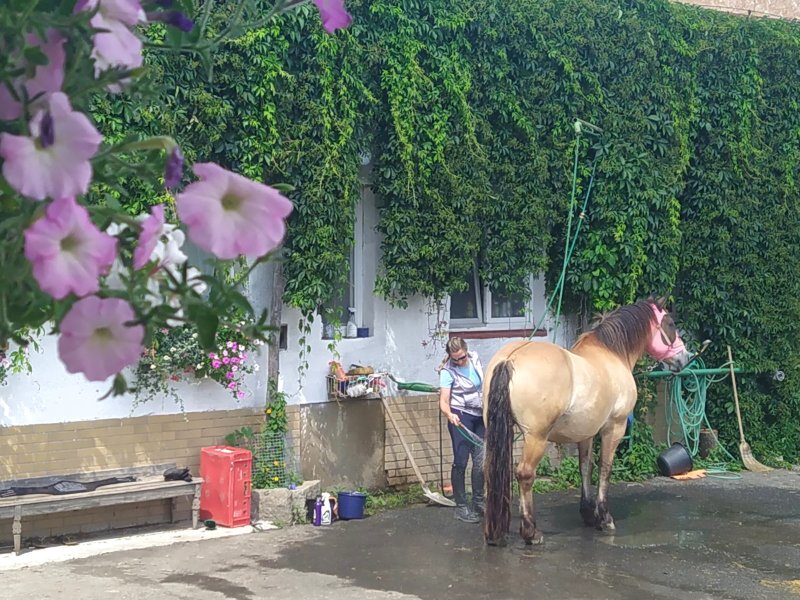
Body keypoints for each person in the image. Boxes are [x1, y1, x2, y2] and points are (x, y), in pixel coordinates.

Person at [438, 337, 484, 523]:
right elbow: (443, 400)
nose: (459, 362)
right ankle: (461, 506)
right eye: (455, 359)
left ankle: (479, 501)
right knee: (461, 461)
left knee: (481, 461)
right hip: (460, 416)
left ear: (467, 351)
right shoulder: (447, 372)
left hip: (480, 415)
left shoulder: (475, 359)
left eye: (461, 357)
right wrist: (449, 414)